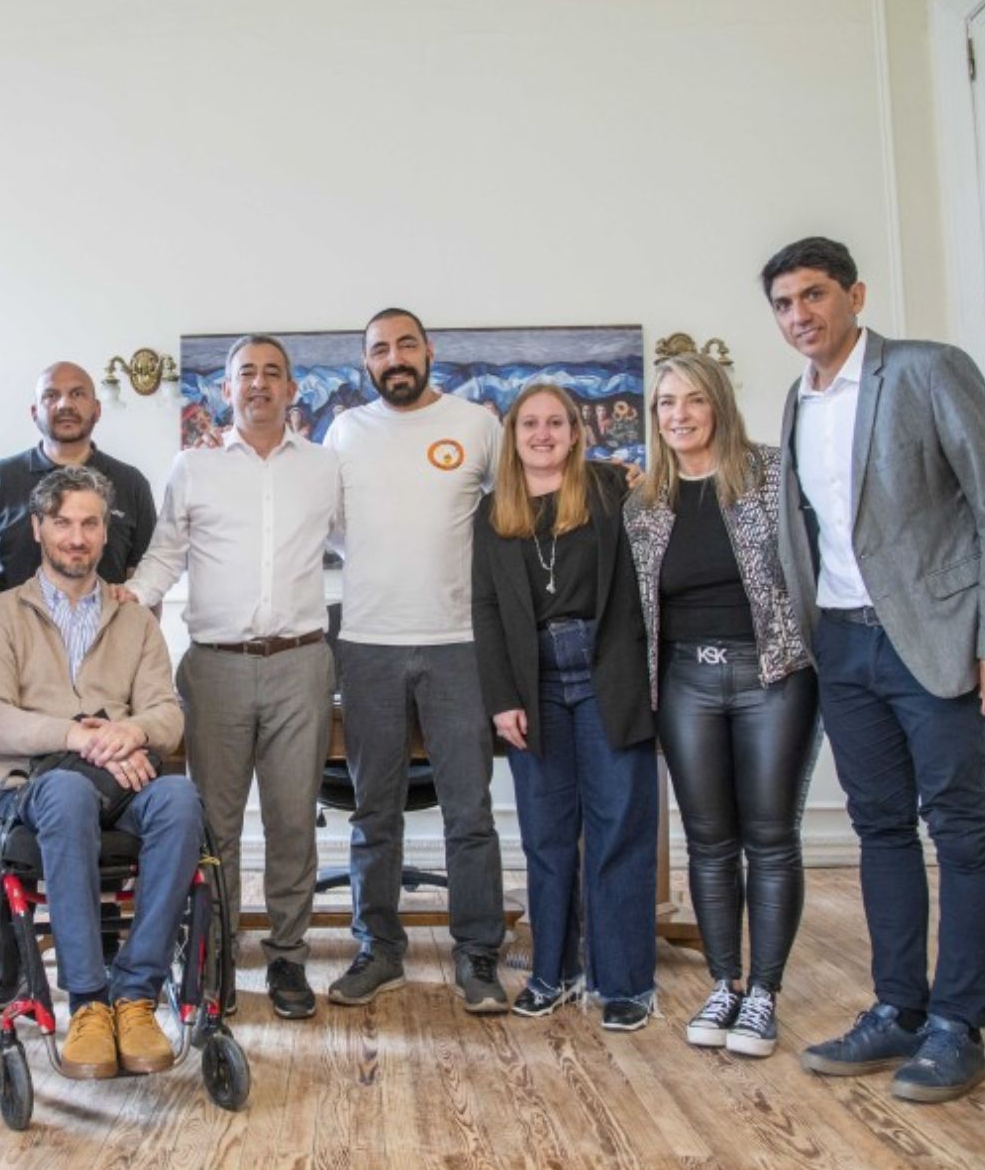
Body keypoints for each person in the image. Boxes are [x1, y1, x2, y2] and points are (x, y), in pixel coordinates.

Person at [768, 236, 985, 1101]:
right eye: (783, 303)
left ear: (855, 295)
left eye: (813, 295)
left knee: (957, 827)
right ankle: (898, 1010)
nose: (799, 316)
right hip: (842, 642)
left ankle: (958, 1025)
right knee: (878, 827)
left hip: (934, 637)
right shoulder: (795, 401)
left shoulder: (926, 371)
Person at [124, 335, 340, 1019]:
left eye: (273, 373)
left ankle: (287, 959)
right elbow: (164, 557)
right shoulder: (193, 466)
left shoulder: (326, 468)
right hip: (214, 667)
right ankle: (213, 958)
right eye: (246, 373)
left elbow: (363, 548)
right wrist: (120, 608)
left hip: (302, 663)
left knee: (291, 821)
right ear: (225, 389)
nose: (259, 384)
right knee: (213, 824)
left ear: (292, 388)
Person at [0, 465, 196, 1079]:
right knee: (65, 789)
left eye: (89, 523)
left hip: (123, 784)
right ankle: (89, 1001)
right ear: (38, 528)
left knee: (180, 800)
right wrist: (78, 735)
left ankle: (135, 994)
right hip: (31, 788)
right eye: (63, 522)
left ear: (104, 532)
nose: (77, 536)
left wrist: (134, 732)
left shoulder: (135, 619)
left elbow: (166, 712)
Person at [623, 352, 819, 1056]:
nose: (678, 414)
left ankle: (765, 992)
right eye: (666, 402)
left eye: (693, 400)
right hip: (686, 683)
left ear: (719, 406)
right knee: (709, 841)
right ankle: (724, 983)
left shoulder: (770, 476)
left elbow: (813, 564)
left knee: (770, 835)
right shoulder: (644, 506)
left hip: (773, 677)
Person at [322, 307, 508, 1013]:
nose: (394, 357)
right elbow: (335, 528)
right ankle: (379, 950)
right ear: (365, 363)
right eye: (379, 349)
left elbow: (511, 513)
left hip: (459, 643)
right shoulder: (345, 431)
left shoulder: (475, 425)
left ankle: (478, 955)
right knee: (374, 813)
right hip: (367, 642)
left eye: (406, 344)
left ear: (429, 351)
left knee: (470, 810)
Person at [470, 382, 659, 1031]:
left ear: (577, 432)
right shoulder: (493, 513)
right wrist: (501, 699)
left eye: (557, 422)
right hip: (533, 685)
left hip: (612, 677)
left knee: (619, 832)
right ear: (513, 435)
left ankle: (626, 981)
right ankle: (554, 971)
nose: (544, 433)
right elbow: (486, 611)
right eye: (531, 423)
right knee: (548, 838)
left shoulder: (613, 490)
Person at [0, 361, 157, 586]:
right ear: (34, 412)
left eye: (78, 394)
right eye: (51, 395)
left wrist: (143, 622)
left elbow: (145, 581)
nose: (64, 404)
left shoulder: (131, 483)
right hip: (12, 621)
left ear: (97, 410)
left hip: (108, 621)